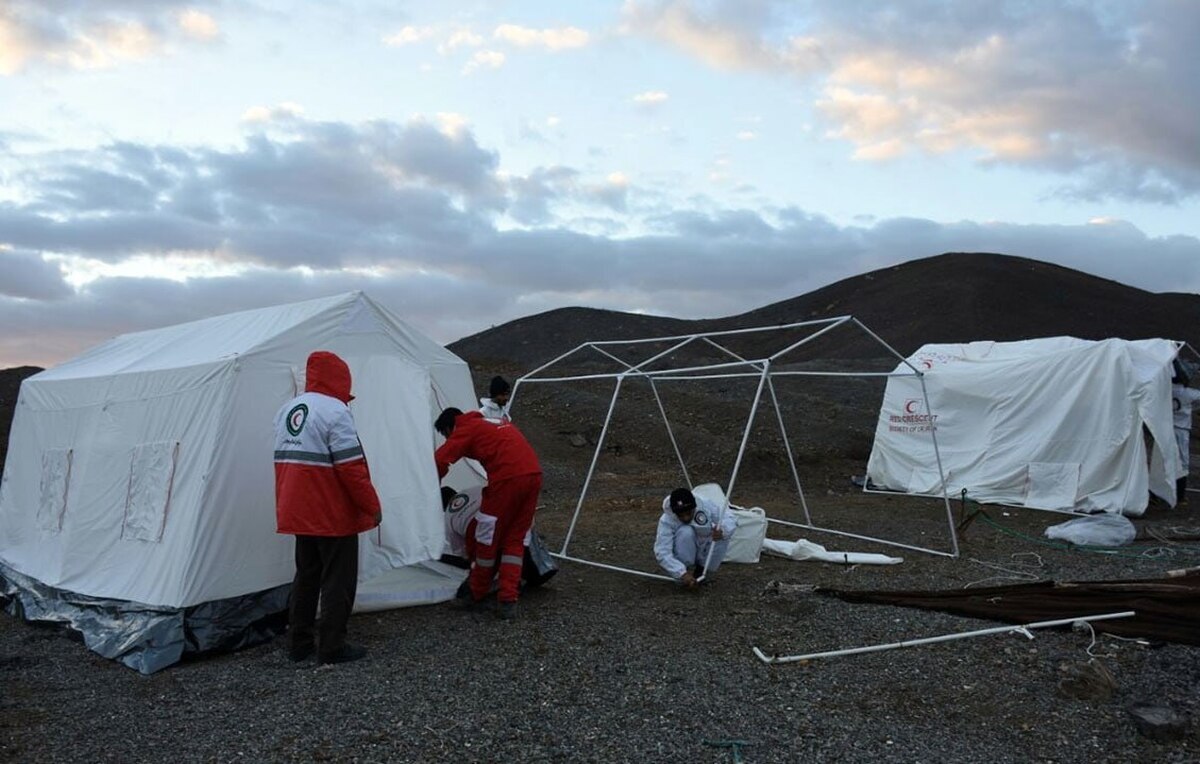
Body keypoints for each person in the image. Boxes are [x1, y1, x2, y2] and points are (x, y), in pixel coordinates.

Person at [273, 350, 381, 665]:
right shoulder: (335, 412)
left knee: (306, 575)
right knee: (338, 579)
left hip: (296, 509)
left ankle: (299, 643)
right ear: (340, 379)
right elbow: (350, 468)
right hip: (331, 512)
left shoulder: (288, 409)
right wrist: (371, 506)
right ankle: (332, 646)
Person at [434, 407, 542, 619]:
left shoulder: (466, 428)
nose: (449, 439)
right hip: (533, 475)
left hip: (507, 478)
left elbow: (439, 460)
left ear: (450, 427)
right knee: (514, 540)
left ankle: (475, 594)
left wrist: (429, 488)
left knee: (486, 537)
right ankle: (508, 600)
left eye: (447, 436)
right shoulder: (492, 421)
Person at [439, 484, 557, 590]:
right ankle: (542, 569)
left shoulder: (448, 517)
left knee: (498, 558)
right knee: (519, 546)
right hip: (505, 518)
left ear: (442, 507)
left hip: (485, 536)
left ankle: (513, 582)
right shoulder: (473, 489)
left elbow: (460, 549)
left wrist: (470, 560)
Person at [654, 487, 737, 587]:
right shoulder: (666, 520)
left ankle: (703, 571)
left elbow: (729, 518)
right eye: (681, 515)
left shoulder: (705, 504)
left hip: (705, 544)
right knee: (685, 531)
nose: (686, 518)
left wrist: (723, 530)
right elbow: (662, 552)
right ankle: (686, 571)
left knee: (721, 533)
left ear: (695, 507)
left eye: (689, 513)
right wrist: (680, 573)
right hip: (684, 552)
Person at [1172, 361, 1200, 504]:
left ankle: (1159, 493)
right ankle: (1180, 497)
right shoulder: (1188, 393)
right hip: (1181, 431)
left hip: (1166, 430)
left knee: (1166, 461)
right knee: (1182, 463)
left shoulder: (1166, 390)